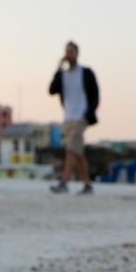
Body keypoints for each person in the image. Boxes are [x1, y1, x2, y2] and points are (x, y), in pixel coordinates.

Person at [48, 41, 99, 194]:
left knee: (71, 150)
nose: (69, 54)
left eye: (72, 51)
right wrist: (58, 69)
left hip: (81, 116)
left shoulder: (86, 72)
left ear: (77, 53)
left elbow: (95, 94)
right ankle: (88, 185)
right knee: (77, 152)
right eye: (67, 51)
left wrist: (89, 112)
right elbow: (51, 90)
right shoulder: (63, 75)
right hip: (68, 117)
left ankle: (64, 183)